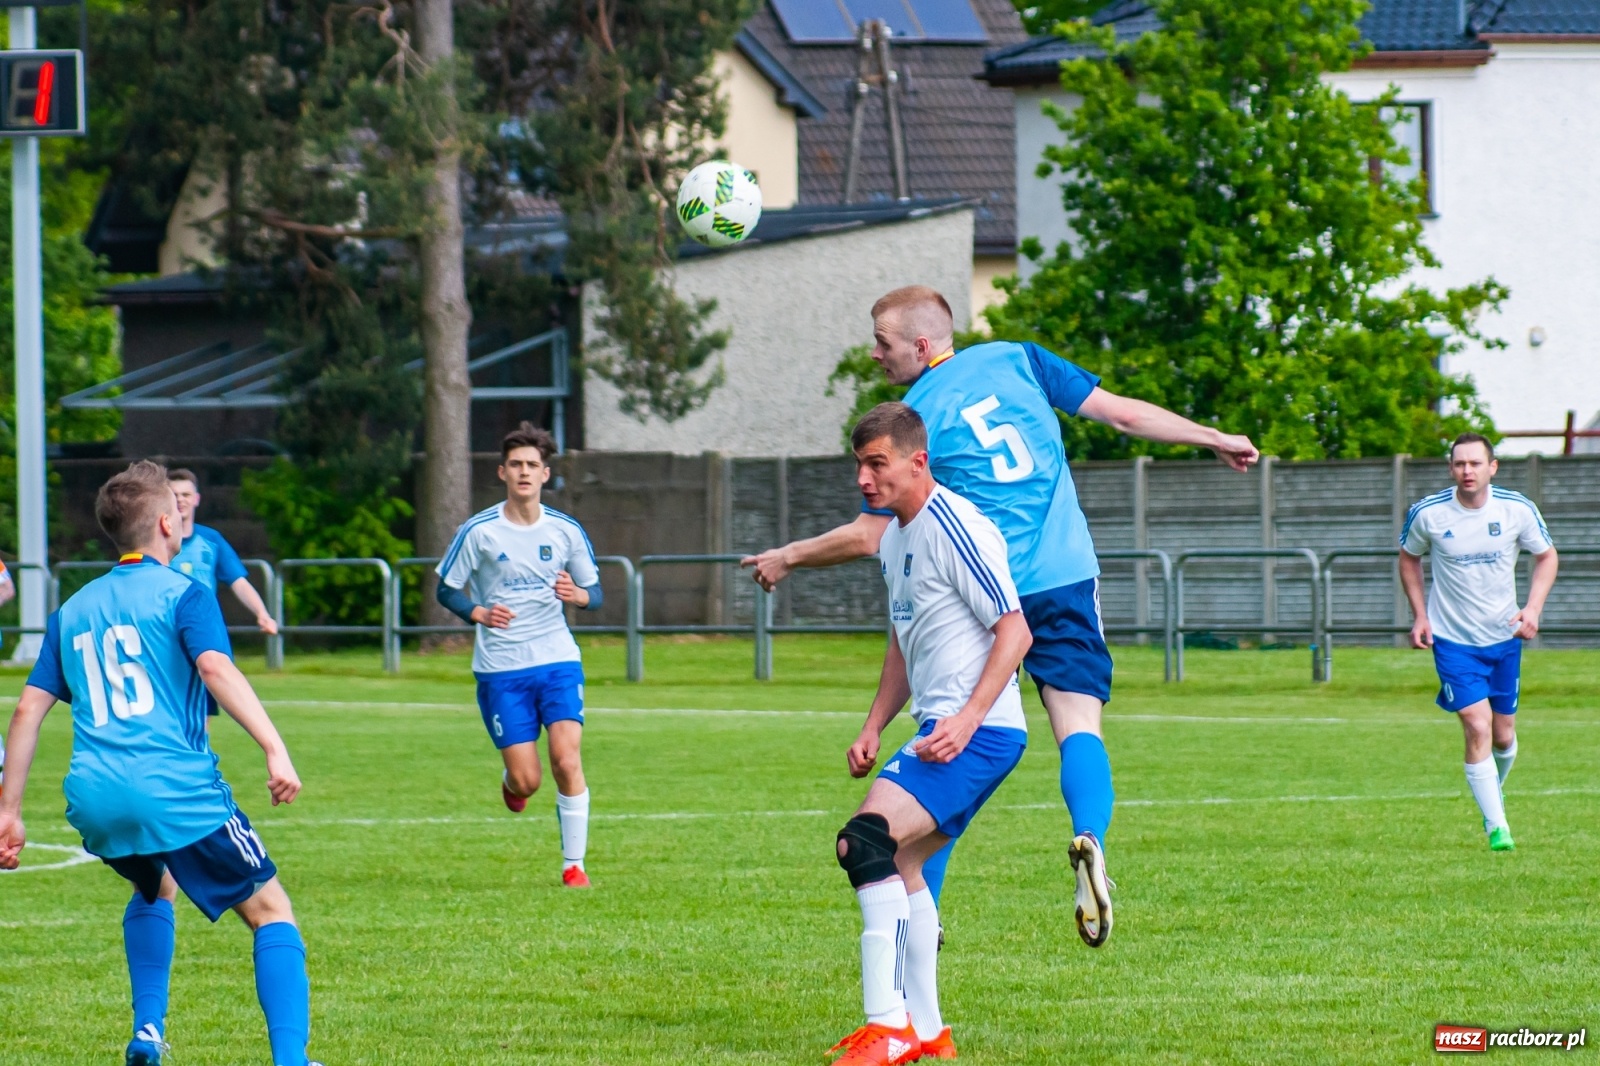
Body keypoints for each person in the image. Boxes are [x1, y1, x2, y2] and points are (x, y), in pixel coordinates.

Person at [744, 286, 1260, 946]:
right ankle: (1090, 838)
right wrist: (1211, 437)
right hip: (1066, 576)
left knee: (944, 753)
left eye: (883, 343)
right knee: (1078, 725)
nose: (874, 354)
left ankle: (916, 925)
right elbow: (1122, 417)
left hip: (985, 599)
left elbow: (870, 534)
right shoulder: (1020, 358)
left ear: (922, 346)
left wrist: (788, 556)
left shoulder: (912, 419)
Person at [0, 460, 318, 1066]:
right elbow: (215, 668)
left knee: (155, 885)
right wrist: (275, 749)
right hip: (173, 789)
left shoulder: (74, 609)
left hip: (95, 802)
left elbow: (26, 710)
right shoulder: (185, 594)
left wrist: (9, 812)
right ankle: (292, 1061)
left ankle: (148, 1032)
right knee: (271, 909)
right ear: (170, 523)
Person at [827, 403, 1031, 1065]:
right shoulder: (893, 538)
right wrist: (873, 723)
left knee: (862, 843)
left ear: (918, 461)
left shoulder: (955, 525)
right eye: (859, 463)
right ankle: (928, 1033)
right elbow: (903, 640)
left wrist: (967, 717)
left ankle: (887, 1028)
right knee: (903, 865)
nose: (864, 477)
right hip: (947, 729)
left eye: (876, 462)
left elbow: (1015, 631)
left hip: (982, 731)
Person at [435, 422, 605, 887]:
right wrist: (477, 612)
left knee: (567, 760)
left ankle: (575, 866)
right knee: (527, 780)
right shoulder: (480, 532)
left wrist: (579, 596)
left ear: (545, 474)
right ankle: (513, 786)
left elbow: (596, 592)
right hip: (501, 669)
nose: (524, 472)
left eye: (532, 465)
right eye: (516, 465)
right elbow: (445, 590)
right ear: (502, 472)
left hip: (557, 659)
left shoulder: (566, 531)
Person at [1400, 433, 1558, 851]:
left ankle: (1493, 792)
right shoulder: (1429, 514)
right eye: (1459, 464)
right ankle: (1497, 827)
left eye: (1475, 463)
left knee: (1504, 736)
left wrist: (1533, 608)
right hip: (1452, 640)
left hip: (1504, 638)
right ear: (1450, 468)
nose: (1467, 471)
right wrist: (1420, 614)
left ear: (1493, 467)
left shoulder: (1516, 509)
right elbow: (1408, 557)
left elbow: (1547, 556)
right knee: (1477, 723)